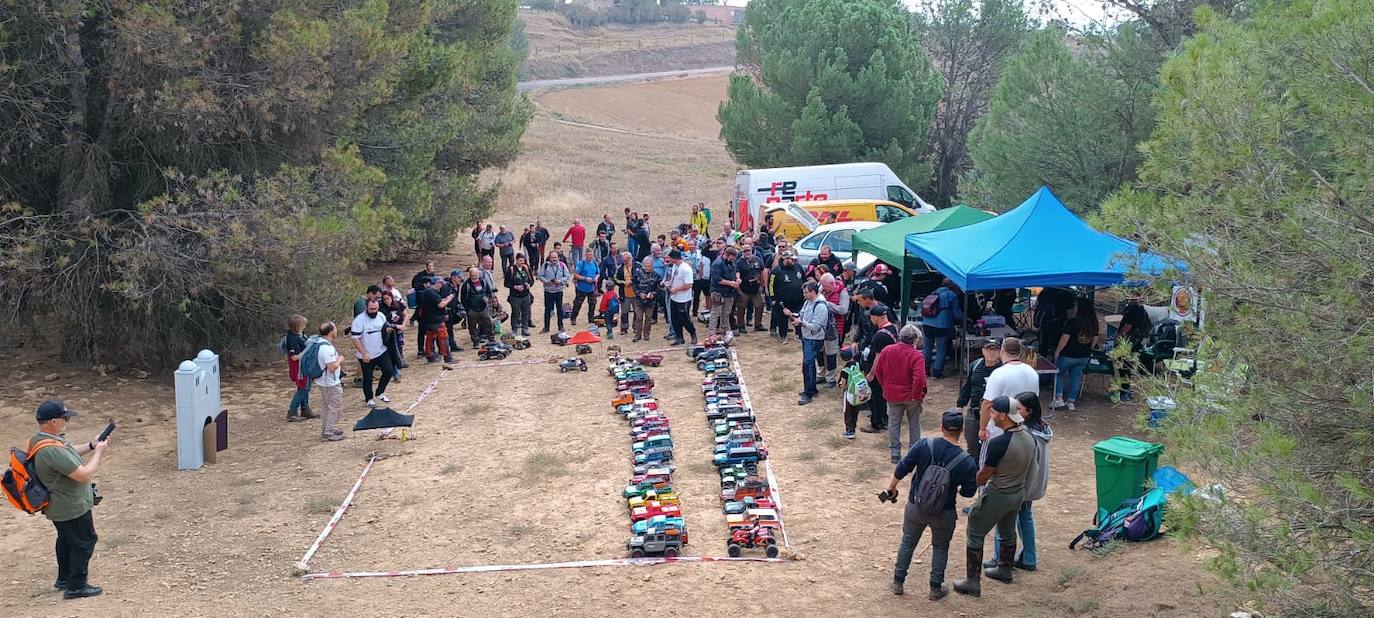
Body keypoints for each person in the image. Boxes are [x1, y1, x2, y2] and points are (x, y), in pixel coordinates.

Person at [885, 409, 979, 600]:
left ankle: (898, 582)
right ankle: (935, 588)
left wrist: (891, 488)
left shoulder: (924, 444)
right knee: (940, 547)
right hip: (943, 512)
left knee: (908, 543)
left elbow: (903, 467)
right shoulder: (967, 461)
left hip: (916, 506)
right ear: (961, 430)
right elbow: (969, 492)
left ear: (941, 427)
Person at [954, 395, 1036, 597]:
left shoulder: (999, 443)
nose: (990, 415)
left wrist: (969, 482)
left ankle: (972, 581)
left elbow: (983, 476)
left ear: (1003, 415)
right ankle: (1005, 569)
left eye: (993, 412)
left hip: (998, 494)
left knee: (975, 530)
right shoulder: (1028, 436)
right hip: (1017, 493)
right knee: (1008, 531)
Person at [30, 400, 110, 599]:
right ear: (54, 421)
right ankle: (76, 586)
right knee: (84, 541)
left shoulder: (41, 439)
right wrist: (99, 453)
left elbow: (69, 452)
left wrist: (91, 445)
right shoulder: (52, 450)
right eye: (65, 418)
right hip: (70, 507)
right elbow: (84, 474)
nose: (67, 421)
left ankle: (64, 579)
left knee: (66, 540)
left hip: (59, 506)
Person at [985, 391, 1052, 573]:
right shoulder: (1042, 428)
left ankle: (999, 558)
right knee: (1025, 517)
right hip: (1032, 483)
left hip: (1021, 484)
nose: (1014, 411)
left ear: (1029, 411)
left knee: (1005, 519)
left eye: (1018, 408)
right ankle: (1030, 558)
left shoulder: (1025, 434)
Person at [869, 324, 928, 463]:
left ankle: (895, 453)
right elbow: (919, 378)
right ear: (914, 339)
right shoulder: (916, 355)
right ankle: (914, 454)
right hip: (911, 396)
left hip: (892, 394)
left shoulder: (887, 350)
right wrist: (916, 394)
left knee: (894, 423)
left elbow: (879, 371)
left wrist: (885, 386)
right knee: (914, 424)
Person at [979, 337, 1040, 466]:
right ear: (1021, 352)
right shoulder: (1033, 373)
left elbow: (987, 404)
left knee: (989, 465)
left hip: (998, 430)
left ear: (1002, 351)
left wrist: (982, 429)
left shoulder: (998, 374)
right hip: (1024, 430)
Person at [856, 296, 898, 433]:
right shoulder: (893, 328)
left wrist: (871, 373)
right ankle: (884, 418)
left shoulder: (880, 336)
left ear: (878, 317)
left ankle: (876, 423)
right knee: (881, 395)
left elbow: (878, 357)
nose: (870, 319)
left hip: (879, 370)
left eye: (872, 317)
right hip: (889, 368)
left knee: (875, 396)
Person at [957, 340, 1003, 461]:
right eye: (989, 349)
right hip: (974, 412)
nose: (992, 352)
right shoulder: (975, 365)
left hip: (994, 415)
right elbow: (967, 387)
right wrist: (960, 405)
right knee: (972, 445)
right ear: (983, 351)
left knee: (991, 447)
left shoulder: (1003, 371)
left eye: (995, 349)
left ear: (1000, 352)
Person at [1052, 296, 1098, 411]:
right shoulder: (1094, 323)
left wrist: (1057, 351)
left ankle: (1058, 399)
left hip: (1068, 355)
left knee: (1059, 374)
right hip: (1084, 356)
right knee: (1076, 377)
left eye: (1076, 305)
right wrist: (1087, 349)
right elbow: (1095, 340)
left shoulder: (1073, 322)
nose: (1074, 307)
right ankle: (1071, 401)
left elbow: (1064, 339)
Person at [789, 281, 828, 405]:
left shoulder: (821, 306)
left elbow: (816, 326)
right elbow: (801, 314)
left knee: (808, 364)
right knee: (808, 364)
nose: (804, 294)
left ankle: (809, 393)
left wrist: (801, 323)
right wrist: (792, 315)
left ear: (813, 292)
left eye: (806, 292)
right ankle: (811, 389)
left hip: (815, 339)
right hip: (807, 337)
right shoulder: (808, 302)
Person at [351, 299, 394, 409]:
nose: (374, 311)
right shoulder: (359, 320)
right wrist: (364, 353)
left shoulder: (381, 316)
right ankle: (369, 398)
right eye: (371, 309)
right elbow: (355, 339)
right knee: (368, 377)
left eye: (376, 308)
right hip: (366, 354)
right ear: (366, 308)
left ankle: (380, 392)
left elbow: (384, 329)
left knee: (389, 371)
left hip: (381, 351)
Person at [922, 279, 963, 379]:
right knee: (941, 349)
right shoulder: (951, 295)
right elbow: (957, 313)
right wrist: (964, 319)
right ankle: (937, 372)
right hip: (941, 325)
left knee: (927, 347)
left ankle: (925, 370)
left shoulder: (934, 292)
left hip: (926, 323)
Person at [315, 322, 346, 440]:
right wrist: (339, 359)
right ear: (330, 332)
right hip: (330, 382)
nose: (336, 331)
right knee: (335, 407)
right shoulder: (327, 348)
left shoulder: (318, 343)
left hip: (322, 381)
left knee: (326, 406)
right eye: (335, 329)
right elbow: (332, 368)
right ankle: (328, 432)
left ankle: (327, 429)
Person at [818, 273, 849, 386]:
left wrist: (826, 304)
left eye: (824, 285)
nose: (823, 288)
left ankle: (831, 378)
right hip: (821, 327)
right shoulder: (823, 290)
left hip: (834, 328)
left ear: (832, 284)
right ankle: (821, 374)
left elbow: (843, 310)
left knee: (831, 353)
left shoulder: (843, 293)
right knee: (820, 352)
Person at [769, 250, 806, 342]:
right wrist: (773, 298)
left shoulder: (799, 267)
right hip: (782, 301)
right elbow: (771, 285)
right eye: (787, 258)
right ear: (783, 259)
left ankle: (798, 335)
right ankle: (783, 336)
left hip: (798, 300)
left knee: (798, 317)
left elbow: (804, 281)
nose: (790, 260)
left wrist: (805, 294)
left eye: (791, 258)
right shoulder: (776, 270)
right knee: (782, 320)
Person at [284, 315, 315, 422]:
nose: (305, 326)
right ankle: (292, 411)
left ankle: (305, 408)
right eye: (303, 324)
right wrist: (308, 350)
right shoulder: (292, 339)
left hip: (306, 366)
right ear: (298, 326)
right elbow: (294, 357)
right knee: (303, 388)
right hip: (299, 368)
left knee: (307, 387)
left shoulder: (299, 335)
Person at [419, 277, 456, 363]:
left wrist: (445, 299)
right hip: (436, 320)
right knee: (443, 337)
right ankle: (447, 357)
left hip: (428, 319)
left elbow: (437, 302)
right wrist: (449, 299)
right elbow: (440, 305)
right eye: (441, 283)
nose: (442, 285)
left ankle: (430, 356)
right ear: (437, 283)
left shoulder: (428, 291)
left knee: (430, 337)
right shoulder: (431, 292)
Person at [666, 249, 698, 345]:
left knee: (684, 319)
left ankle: (693, 333)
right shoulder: (675, 266)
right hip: (674, 297)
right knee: (674, 318)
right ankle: (679, 337)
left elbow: (689, 285)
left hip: (683, 299)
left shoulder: (686, 269)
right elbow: (674, 278)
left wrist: (676, 289)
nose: (669, 259)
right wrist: (669, 284)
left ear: (675, 258)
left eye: (670, 258)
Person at [734, 240, 766, 333]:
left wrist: (761, 283)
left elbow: (762, 271)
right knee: (741, 308)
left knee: (760, 305)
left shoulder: (757, 259)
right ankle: (741, 326)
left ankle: (758, 325)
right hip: (744, 289)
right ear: (742, 252)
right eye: (745, 251)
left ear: (752, 250)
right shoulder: (739, 262)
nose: (747, 252)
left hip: (756, 289)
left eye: (748, 250)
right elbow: (736, 274)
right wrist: (738, 289)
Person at [709, 246, 741, 336]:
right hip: (718, 292)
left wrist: (738, 279)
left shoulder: (732, 262)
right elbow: (717, 279)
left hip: (729, 292)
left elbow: (737, 270)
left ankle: (727, 331)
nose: (733, 259)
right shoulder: (717, 264)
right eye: (732, 257)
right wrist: (731, 283)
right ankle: (712, 332)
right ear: (726, 255)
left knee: (726, 313)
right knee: (715, 313)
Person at [461, 266, 496, 346]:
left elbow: (489, 293)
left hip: (483, 308)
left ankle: (491, 339)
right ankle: (475, 342)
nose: (474, 277)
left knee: (488, 324)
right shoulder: (466, 285)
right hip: (472, 309)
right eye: (472, 275)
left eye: (475, 275)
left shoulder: (483, 282)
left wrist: (487, 298)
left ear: (478, 274)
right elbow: (463, 299)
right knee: (472, 327)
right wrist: (468, 310)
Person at [632, 256, 662, 342]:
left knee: (648, 318)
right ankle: (637, 334)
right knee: (639, 317)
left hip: (650, 302)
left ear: (652, 266)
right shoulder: (638, 274)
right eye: (645, 266)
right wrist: (639, 293)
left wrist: (653, 294)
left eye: (648, 266)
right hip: (639, 300)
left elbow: (658, 288)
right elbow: (634, 286)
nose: (646, 268)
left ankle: (646, 334)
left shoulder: (656, 275)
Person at [539, 251, 570, 333]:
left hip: (559, 291)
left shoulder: (562, 265)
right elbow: (540, 275)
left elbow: (567, 276)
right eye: (552, 257)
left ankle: (561, 326)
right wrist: (546, 281)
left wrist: (560, 281)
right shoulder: (545, 265)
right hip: (548, 291)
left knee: (560, 309)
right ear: (549, 258)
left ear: (558, 258)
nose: (554, 259)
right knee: (548, 310)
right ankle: (546, 327)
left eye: (555, 257)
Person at [379, 292, 406, 382]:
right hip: (389, 333)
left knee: (399, 347)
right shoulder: (382, 309)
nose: (386, 301)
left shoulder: (398, 304)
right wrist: (394, 326)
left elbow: (405, 314)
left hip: (399, 331)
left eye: (388, 298)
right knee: (392, 352)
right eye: (384, 299)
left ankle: (399, 363)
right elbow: (383, 322)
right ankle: (395, 373)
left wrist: (403, 325)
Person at [507, 253, 535, 337]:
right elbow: (506, 283)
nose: (522, 262)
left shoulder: (526, 268)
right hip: (515, 296)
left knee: (526, 312)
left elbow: (532, 280)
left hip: (525, 295)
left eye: (523, 261)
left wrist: (529, 285)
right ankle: (514, 329)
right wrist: (515, 286)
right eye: (520, 261)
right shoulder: (511, 270)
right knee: (515, 313)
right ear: (516, 260)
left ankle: (525, 328)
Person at [570, 251, 601, 326]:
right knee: (578, 304)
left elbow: (598, 273)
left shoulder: (594, 263)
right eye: (589, 254)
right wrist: (585, 278)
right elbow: (576, 274)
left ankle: (591, 318)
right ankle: (573, 318)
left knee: (592, 304)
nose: (590, 256)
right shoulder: (581, 263)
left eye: (591, 254)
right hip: (582, 288)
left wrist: (596, 278)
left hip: (591, 288)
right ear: (586, 255)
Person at [611, 251, 634, 336]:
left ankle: (635, 328)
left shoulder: (637, 266)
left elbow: (640, 277)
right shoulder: (620, 268)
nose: (625, 262)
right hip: (624, 294)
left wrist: (633, 281)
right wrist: (624, 283)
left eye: (626, 261)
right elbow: (615, 279)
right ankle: (624, 328)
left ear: (630, 259)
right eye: (623, 261)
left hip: (636, 293)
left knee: (637, 312)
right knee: (624, 312)